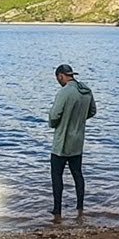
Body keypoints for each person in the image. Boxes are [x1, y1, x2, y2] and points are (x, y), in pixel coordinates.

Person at [48, 64, 96, 219]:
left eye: (58, 79)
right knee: (78, 174)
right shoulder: (86, 91)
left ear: (61, 76)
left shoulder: (64, 92)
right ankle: (80, 208)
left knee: (57, 175)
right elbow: (93, 111)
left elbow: (54, 116)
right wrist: (79, 120)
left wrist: (55, 123)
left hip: (62, 143)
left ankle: (57, 210)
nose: (58, 81)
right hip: (77, 141)